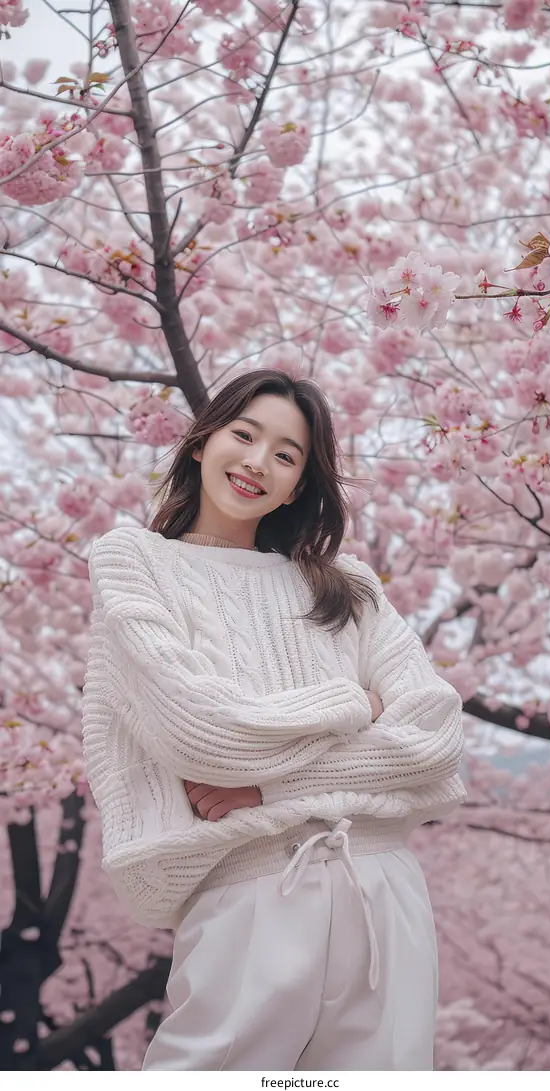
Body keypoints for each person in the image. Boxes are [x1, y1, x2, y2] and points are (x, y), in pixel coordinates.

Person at [82, 368, 466, 1072]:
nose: (258, 462)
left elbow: (436, 740)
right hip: (251, 889)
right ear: (202, 442)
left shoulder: (348, 586)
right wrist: (355, 704)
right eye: (244, 434)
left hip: (380, 886)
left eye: (286, 455)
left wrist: (268, 791)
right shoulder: (136, 561)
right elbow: (206, 734)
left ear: (298, 485)